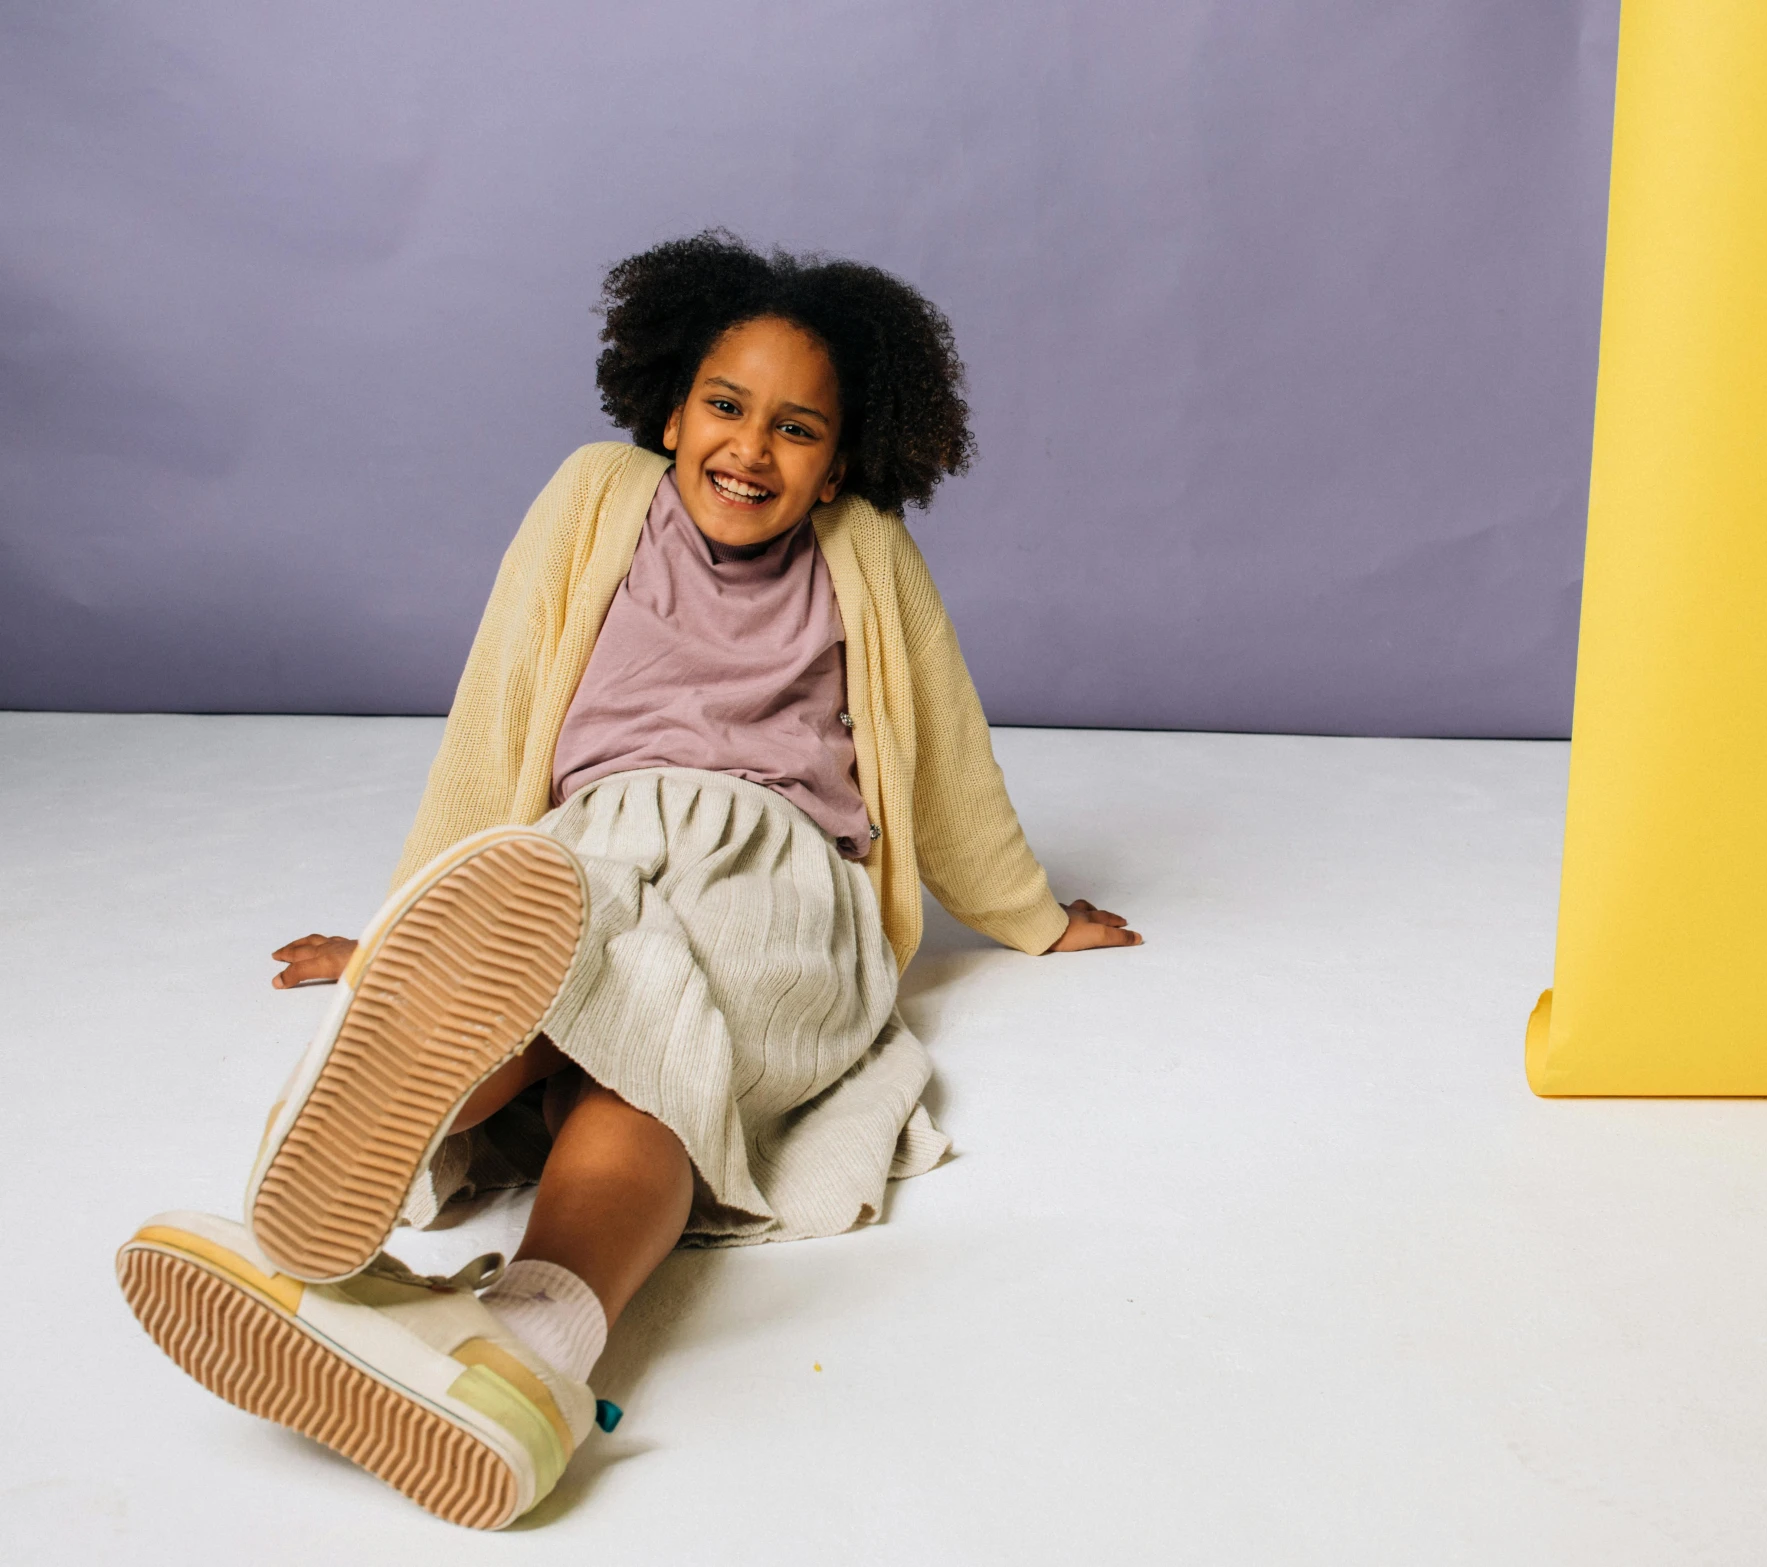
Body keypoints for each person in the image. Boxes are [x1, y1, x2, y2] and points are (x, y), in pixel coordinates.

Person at [114, 231, 1140, 1529]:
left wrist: (1029, 916)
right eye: (725, 405)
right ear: (669, 407)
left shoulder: (867, 553)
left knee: (662, 1049)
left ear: (843, 463)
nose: (750, 449)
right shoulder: (593, 496)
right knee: (527, 971)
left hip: (780, 872)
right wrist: (400, 919)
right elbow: (497, 717)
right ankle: (407, 1246)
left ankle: (497, 1327)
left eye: (797, 429)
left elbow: (943, 754)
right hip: (585, 848)